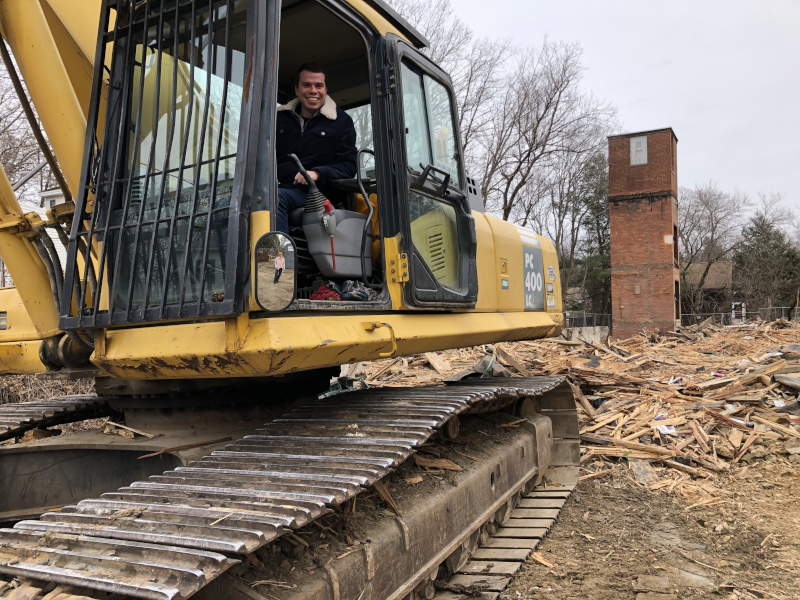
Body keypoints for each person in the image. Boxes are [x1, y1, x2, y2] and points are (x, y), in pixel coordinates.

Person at [274, 63, 357, 234]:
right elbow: (265, 161)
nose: (313, 91)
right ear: (297, 90)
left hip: (319, 195)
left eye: (318, 86)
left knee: (274, 199)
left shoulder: (341, 122)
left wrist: (318, 173)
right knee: (228, 203)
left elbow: (348, 166)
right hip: (282, 188)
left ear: (325, 90)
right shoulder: (278, 120)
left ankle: (277, 252)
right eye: (306, 85)